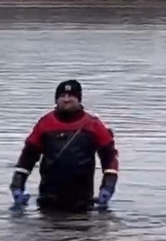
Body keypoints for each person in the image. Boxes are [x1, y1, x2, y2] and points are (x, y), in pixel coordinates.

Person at [9, 79, 119, 213]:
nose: (66, 100)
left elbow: (109, 158)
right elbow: (28, 156)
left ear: (79, 99)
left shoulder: (93, 124)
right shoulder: (45, 123)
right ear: (56, 99)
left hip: (82, 199)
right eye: (62, 96)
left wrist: (107, 188)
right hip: (48, 198)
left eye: (71, 96)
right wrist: (17, 185)